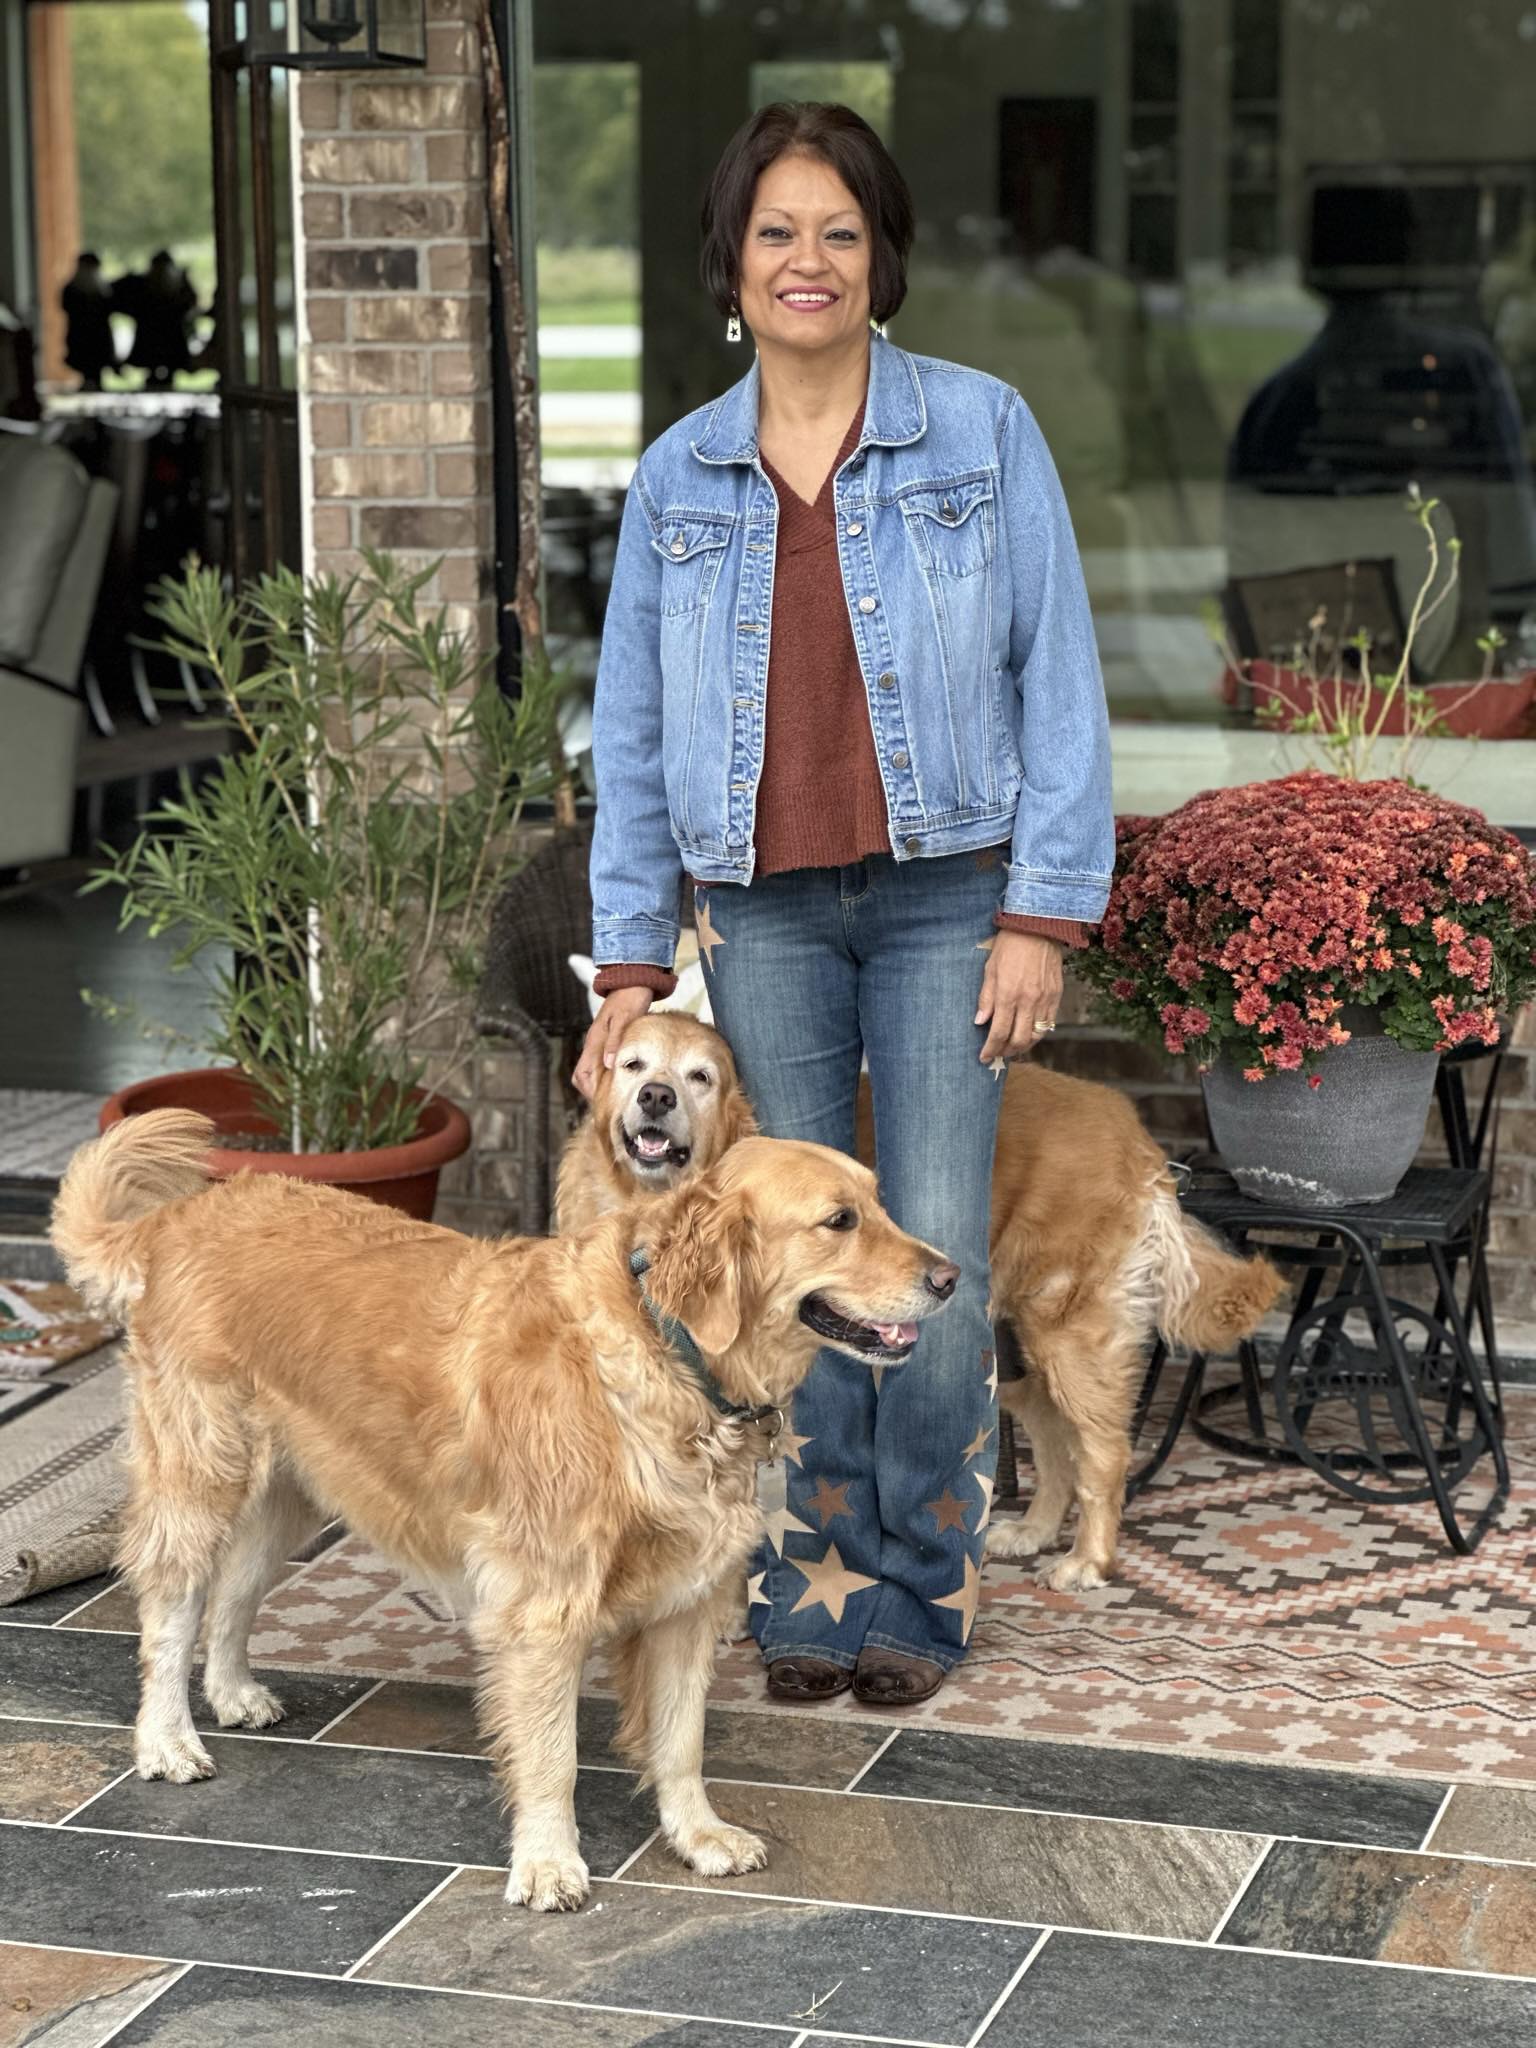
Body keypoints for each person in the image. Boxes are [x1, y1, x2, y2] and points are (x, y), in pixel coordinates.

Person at [575, 102, 1113, 1708]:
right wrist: (625, 964)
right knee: (785, 1269)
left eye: (838, 232)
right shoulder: (681, 475)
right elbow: (640, 730)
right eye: (773, 234)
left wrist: (1041, 914)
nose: (805, 262)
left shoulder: (982, 431)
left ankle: (917, 1587)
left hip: (953, 900)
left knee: (924, 1260)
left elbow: (1059, 676)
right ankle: (807, 1587)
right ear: (727, 269)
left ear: (881, 261)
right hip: (764, 923)